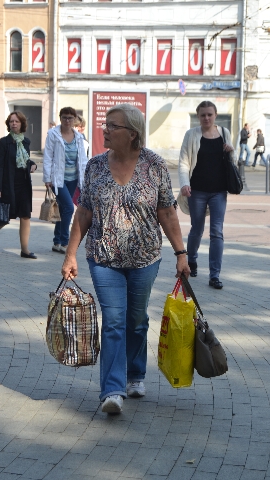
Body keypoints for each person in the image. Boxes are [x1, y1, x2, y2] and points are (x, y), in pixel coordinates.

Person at [61, 104, 190, 414]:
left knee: (136, 320)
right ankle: (112, 390)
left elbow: (167, 212)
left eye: (112, 126)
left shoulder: (155, 166)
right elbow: (85, 212)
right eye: (106, 125)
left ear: (133, 134)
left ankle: (135, 373)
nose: (105, 129)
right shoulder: (95, 167)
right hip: (103, 258)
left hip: (145, 259)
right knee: (115, 321)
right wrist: (70, 254)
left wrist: (181, 253)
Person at [178, 100, 236, 289]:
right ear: (198, 116)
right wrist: (185, 184)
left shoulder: (225, 134)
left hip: (219, 191)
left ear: (215, 115)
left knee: (217, 232)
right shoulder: (191, 134)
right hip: (197, 191)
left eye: (210, 114)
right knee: (196, 229)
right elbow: (184, 162)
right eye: (203, 115)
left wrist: (231, 151)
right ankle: (192, 260)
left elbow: (231, 162)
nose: (206, 118)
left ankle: (214, 275)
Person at [0, 111, 37, 258]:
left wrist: (33, 165)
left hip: (24, 184)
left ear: (22, 124)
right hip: (9, 184)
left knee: (25, 215)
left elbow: (25, 160)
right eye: (11, 121)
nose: (14, 123)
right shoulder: (3, 143)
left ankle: (25, 250)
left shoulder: (26, 142)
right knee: (4, 216)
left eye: (16, 121)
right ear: (8, 124)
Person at [43, 107, 88, 253]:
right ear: (60, 118)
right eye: (64, 117)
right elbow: (48, 156)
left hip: (74, 178)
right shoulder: (53, 134)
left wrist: (85, 178)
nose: (67, 121)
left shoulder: (79, 137)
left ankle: (56, 242)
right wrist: (47, 178)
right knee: (68, 208)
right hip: (58, 179)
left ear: (75, 120)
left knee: (63, 209)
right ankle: (64, 241)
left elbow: (82, 159)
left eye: (70, 118)